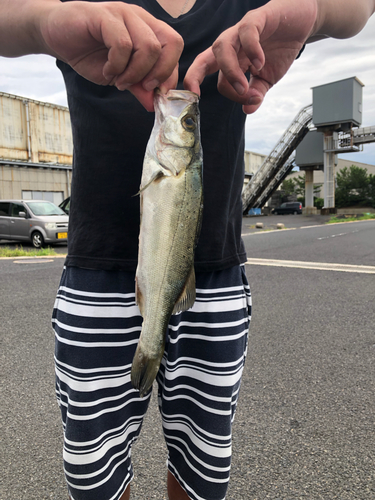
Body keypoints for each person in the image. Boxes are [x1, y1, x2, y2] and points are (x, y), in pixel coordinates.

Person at [1, 1, 374, 499]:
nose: (184, 111)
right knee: (94, 476)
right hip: (95, 273)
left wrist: (312, 9)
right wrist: (46, 23)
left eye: (189, 124)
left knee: (203, 469)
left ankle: (148, 348)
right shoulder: (80, 8)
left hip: (214, 280)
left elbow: (357, 10)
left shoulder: (253, 7)